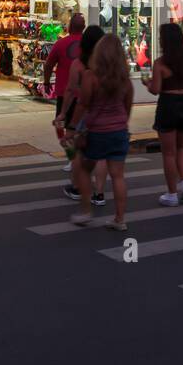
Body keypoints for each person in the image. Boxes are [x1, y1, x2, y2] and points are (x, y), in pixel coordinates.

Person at [67, 36, 134, 230]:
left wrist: (72, 128)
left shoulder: (91, 76)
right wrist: (122, 124)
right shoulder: (125, 80)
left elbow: (83, 104)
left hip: (96, 131)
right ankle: (120, 219)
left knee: (84, 168)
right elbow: (127, 106)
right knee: (118, 176)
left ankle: (87, 212)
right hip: (119, 131)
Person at [142, 22, 183, 206]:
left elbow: (156, 90)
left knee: (168, 153)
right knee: (181, 148)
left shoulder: (160, 63)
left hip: (168, 105)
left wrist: (147, 83)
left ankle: (172, 194)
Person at [60, 26, 108, 205]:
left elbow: (71, 91)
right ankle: (100, 193)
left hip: (85, 113)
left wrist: (64, 114)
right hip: (104, 113)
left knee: (80, 151)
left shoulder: (79, 64)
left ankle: (77, 187)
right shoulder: (108, 65)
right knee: (102, 154)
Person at [44, 13, 84, 169]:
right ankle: (78, 156)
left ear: (68, 27)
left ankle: (72, 157)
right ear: (84, 27)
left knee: (61, 126)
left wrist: (47, 82)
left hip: (64, 93)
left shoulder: (60, 44)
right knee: (79, 127)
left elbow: (48, 65)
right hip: (85, 93)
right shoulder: (90, 45)